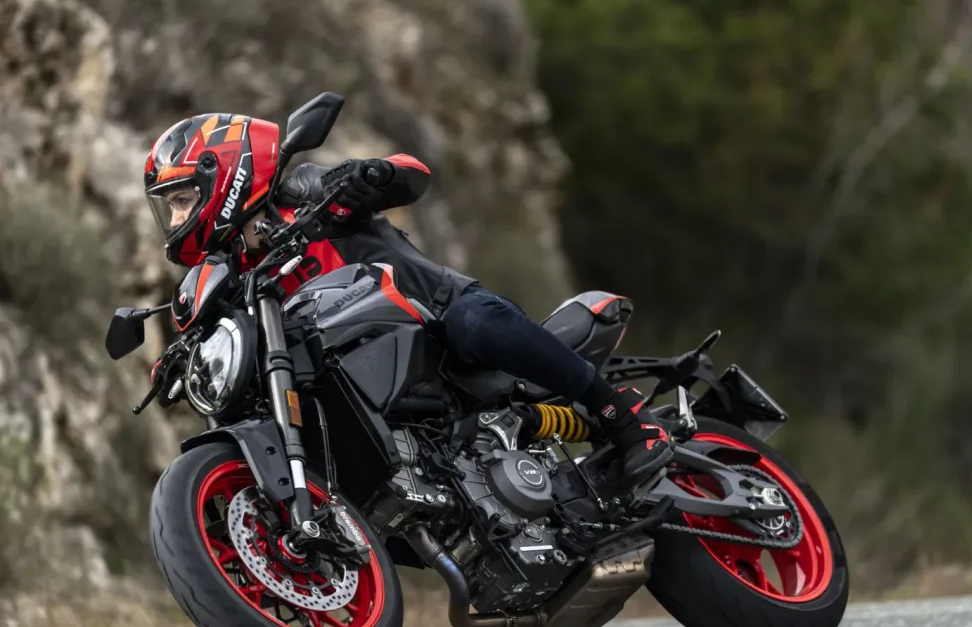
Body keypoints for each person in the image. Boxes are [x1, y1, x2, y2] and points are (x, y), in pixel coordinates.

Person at [143, 112, 673, 485]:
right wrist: (179, 357)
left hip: (428, 317)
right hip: (357, 374)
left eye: (182, 199)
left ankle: (626, 419)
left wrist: (370, 176)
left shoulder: (299, 191)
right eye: (168, 206)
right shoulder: (231, 274)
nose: (174, 218)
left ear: (226, 173)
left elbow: (412, 176)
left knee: (474, 324)